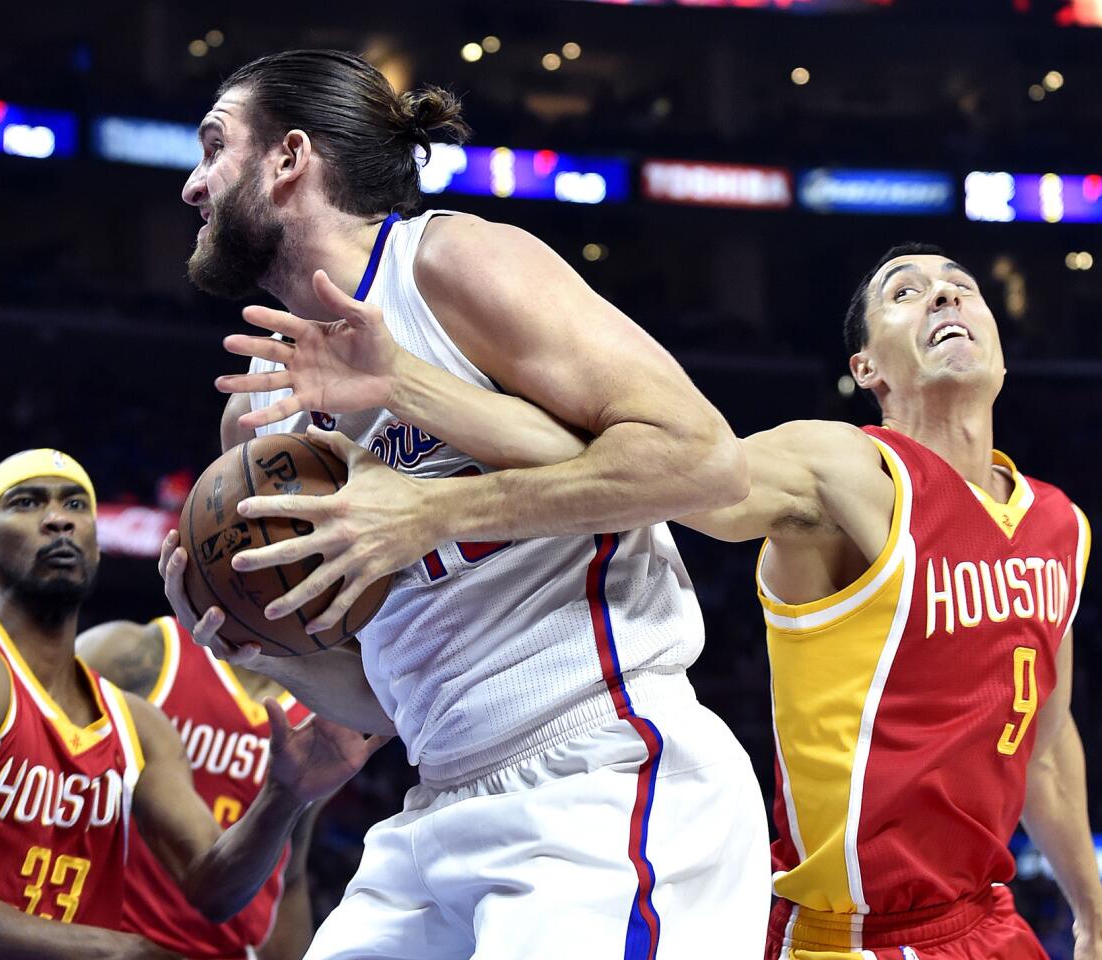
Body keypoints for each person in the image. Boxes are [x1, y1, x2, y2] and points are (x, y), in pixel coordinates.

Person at [229, 240, 1102, 959]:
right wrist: (412, 388)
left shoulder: (1060, 525)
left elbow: (1045, 741)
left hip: (988, 920)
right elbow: (672, 472)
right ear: (867, 368)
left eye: (961, 285)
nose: (943, 296)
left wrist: (1093, 921)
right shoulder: (842, 467)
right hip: (848, 933)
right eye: (907, 291)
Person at [165, 48, 770, 959]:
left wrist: (428, 504)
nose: (191, 185)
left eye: (214, 146)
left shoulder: (446, 263)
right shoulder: (254, 415)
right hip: (439, 798)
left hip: (604, 769)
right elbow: (383, 699)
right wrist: (263, 651)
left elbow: (707, 468)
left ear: (288, 158)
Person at [0, 449, 383, 960]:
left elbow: (215, 893)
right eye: (25, 502)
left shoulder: (136, 725)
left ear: (94, 545)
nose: (58, 517)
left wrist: (282, 798)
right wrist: (118, 951)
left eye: (74, 504)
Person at [77, 616, 322, 960]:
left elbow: (290, 871)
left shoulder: (323, 712)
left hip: (229, 948)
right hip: (115, 942)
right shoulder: (134, 653)